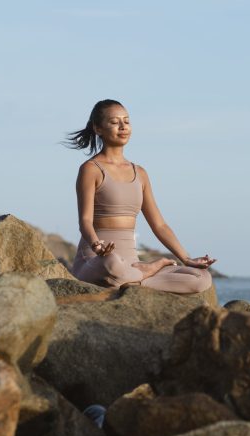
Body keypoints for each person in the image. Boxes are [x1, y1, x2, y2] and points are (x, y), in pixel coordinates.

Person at [64, 99, 215, 293]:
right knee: (112, 264)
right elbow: (85, 221)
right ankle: (148, 271)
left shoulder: (140, 173)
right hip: (97, 260)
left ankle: (136, 280)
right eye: (114, 122)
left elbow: (159, 225)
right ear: (98, 128)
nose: (123, 126)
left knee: (201, 278)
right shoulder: (91, 169)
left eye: (126, 121)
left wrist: (186, 259)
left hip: (131, 264)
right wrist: (97, 246)